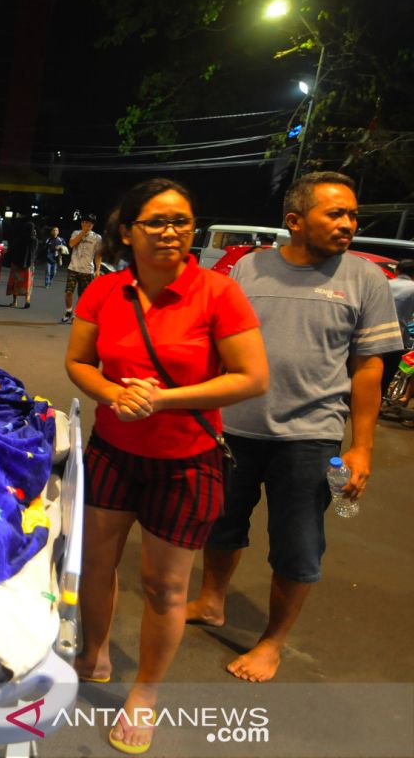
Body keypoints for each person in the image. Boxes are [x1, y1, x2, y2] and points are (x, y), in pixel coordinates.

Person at [64, 179, 268, 754]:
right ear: (127, 231)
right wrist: (111, 392)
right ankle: (94, 651)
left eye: (181, 220)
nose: (171, 231)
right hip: (112, 454)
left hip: (188, 462)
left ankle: (145, 694)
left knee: (165, 585)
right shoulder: (105, 291)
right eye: (156, 221)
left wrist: (161, 399)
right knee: (95, 564)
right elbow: (78, 361)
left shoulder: (218, 293)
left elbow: (252, 377)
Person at [187, 171, 404, 684]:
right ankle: (212, 601)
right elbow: (216, 344)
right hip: (235, 427)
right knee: (221, 523)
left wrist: (363, 448)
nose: (349, 224)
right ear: (294, 221)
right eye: (336, 213)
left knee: (297, 543)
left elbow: (368, 367)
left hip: (310, 436)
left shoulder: (365, 280)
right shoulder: (248, 270)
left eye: (353, 214)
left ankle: (271, 642)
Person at [381, 259, 414, 402]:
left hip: (370, 333)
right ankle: (377, 403)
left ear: (397, 270)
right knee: (386, 374)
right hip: (396, 337)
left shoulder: (384, 284)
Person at [60, 214, 103, 323]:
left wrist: (97, 269)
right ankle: (68, 310)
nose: (85, 224)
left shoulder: (97, 238)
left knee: (83, 295)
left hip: (87, 270)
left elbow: (98, 254)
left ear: (92, 225)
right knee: (68, 292)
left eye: (88, 223)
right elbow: (71, 244)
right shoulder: (76, 233)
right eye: (83, 222)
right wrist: (83, 233)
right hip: (73, 267)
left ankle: (76, 314)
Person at [4, 213, 38, 308]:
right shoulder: (34, 240)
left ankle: (15, 302)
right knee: (28, 282)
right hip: (28, 265)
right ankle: (27, 300)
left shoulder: (19, 238)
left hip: (16, 264)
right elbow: (35, 252)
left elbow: (12, 249)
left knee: (16, 282)